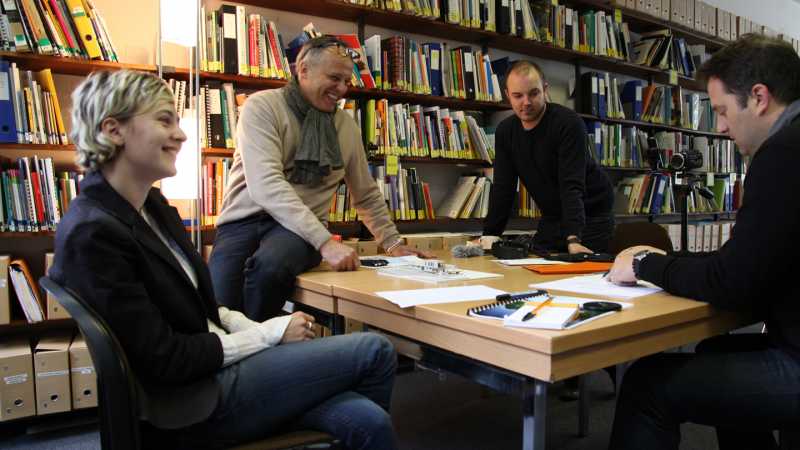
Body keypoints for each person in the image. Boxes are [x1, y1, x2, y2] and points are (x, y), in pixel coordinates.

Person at [49, 70, 399, 450]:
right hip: (191, 402)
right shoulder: (92, 233)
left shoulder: (152, 206)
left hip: (214, 369)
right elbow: (165, 360)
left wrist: (261, 331)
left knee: (369, 421)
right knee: (375, 350)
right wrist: (267, 335)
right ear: (113, 130)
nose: (181, 135)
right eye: (165, 121)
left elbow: (204, 309)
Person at [606, 34, 800, 450]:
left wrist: (643, 265)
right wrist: (671, 260)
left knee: (647, 385)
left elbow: (733, 283)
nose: (722, 127)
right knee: (716, 350)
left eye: (722, 111)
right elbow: (752, 258)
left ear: (759, 98)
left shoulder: (783, 153)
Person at [208, 36, 431, 322]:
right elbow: (266, 184)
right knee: (216, 308)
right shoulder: (262, 107)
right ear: (303, 70)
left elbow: (365, 193)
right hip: (243, 222)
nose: (342, 89)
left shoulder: (346, 127)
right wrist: (326, 243)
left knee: (270, 267)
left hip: (299, 233)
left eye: (347, 81)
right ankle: (250, 341)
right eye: (334, 78)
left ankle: (258, 340)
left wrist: (393, 244)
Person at [479, 60, 615, 254]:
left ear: (545, 90)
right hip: (553, 216)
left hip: (591, 213)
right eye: (518, 96)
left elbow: (571, 185)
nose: (526, 102)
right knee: (535, 261)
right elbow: (503, 188)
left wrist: (573, 239)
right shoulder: (505, 131)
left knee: (578, 266)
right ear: (508, 95)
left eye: (533, 93)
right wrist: (490, 235)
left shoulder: (568, 123)